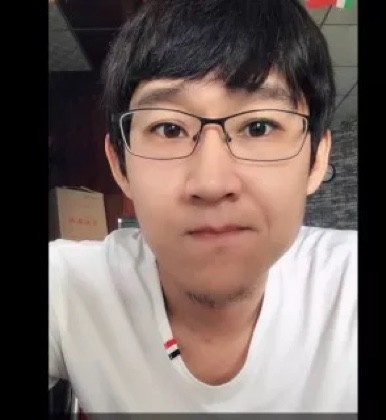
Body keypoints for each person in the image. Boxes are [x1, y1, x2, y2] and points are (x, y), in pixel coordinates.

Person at [49, 0, 357, 413]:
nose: (212, 183)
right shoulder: (69, 291)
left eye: (258, 126)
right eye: (169, 128)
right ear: (119, 166)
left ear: (316, 160)